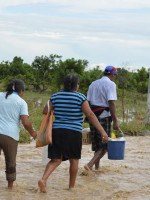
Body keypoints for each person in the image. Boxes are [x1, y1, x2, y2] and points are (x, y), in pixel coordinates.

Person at [38, 73, 108, 193]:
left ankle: (43, 179)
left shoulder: (55, 96)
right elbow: (90, 115)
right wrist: (102, 132)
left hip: (57, 131)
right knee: (74, 160)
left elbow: (46, 111)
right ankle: (71, 188)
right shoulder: (80, 97)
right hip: (73, 132)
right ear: (76, 85)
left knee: (56, 159)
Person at [0, 79, 37, 188]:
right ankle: (10, 189)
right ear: (21, 91)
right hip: (10, 135)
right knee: (10, 162)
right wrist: (33, 133)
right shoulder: (21, 102)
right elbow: (25, 122)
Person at [84, 65, 120, 172]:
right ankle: (89, 165)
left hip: (92, 116)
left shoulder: (93, 84)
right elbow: (111, 103)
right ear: (112, 75)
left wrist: (87, 116)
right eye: (114, 75)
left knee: (97, 145)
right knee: (104, 146)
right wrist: (115, 121)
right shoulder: (111, 84)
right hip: (104, 116)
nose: (114, 77)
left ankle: (96, 169)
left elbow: (88, 102)